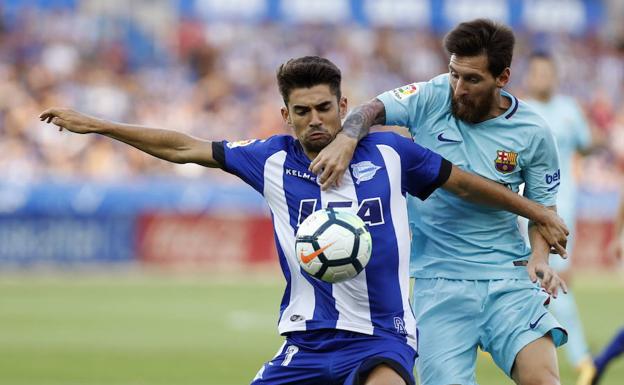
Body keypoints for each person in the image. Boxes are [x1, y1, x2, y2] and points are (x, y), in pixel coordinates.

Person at [40, 56, 568, 385]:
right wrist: (100, 126)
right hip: (306, 341)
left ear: (343, 106)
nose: (315, 120)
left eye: (324, 108)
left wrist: (537, 210)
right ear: (285, 115)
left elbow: (464, 183)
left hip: (382, 334)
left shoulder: (390, 154)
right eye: (301, 111)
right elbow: (184, 147)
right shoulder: (267, 158)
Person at [310, 19, 570, 385]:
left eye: (472, 79)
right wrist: (347, 138)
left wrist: (540, 259)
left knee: (544, 381)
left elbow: (545, 210)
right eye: (454, 74)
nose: (458, 88)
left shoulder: (534, 132)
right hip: (438, 282)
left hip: (508, 277)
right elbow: (369, 110)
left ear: (503, 77)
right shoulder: (431, 96)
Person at [523, 51, 595, 385]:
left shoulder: (570, 111)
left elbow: (586, 145)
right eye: (537, 73)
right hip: (526, 210)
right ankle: (578, 357)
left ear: (555, 76)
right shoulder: (520, 110)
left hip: (565, 208)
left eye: (548, 73)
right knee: (536, 281)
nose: (543, 79)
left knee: (554, 280)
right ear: (529, 76)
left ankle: (580, 357)